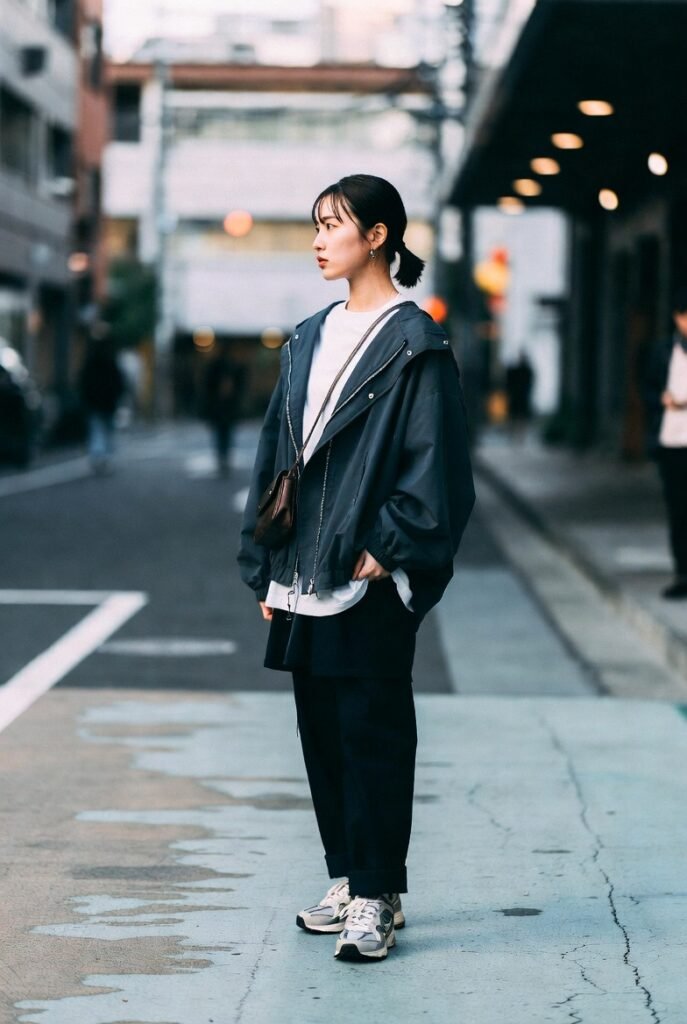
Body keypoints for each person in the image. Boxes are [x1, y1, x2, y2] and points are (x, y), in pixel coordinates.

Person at [238, 174, 475, 963]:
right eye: (315, 225)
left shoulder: (415, 343)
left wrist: (394, 543)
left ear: (377, 235)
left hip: (368, 570)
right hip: (304, 568)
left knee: (371, 732)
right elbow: (278, 452)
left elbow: (436, 460)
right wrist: (265, 559)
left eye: (332, 225)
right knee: (321, 733)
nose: (317, 240)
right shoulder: (309, 334)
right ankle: (349, 875)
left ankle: (376, 893)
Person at [645, 287, 687, 599]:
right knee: (677, 510)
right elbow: (645, 386)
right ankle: (682, 573)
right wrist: (661, 399)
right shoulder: (663, 351)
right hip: (671, 442)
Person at [78, 335, 126, 475]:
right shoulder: (111, 362)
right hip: (109, 403)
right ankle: (105, 456)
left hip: (94, 403)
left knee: (96, 429)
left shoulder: (91, 363)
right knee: (107, 430)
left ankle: (98, 455)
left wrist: (86, 398)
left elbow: (83, 382)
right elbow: (119, 383)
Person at [201, 340, 244, 476]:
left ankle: (223, 457)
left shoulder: (217, 367)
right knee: (224, 432)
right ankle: (223, 457)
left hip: (222, 407)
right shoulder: (228, 367)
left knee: (223, 433)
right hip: (222, 407)